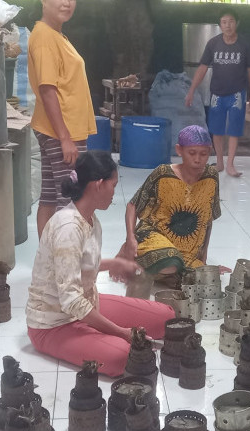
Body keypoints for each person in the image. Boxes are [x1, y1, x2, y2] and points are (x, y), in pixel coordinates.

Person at [26, 151, 174, 377]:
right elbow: (71, 299)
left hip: (86, 304)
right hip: (54, 323)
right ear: (98, 185)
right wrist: (121, 332)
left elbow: (78, 265)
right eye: (113, 185)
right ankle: (99, 337)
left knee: (166, 317)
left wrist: (114, 264)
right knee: (125, 356)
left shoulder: (91, 220)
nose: (115, 193)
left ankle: (97, 332)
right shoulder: (68, 227)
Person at [118, 125, 221, 287]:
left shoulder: (212, 177)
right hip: (154, 236)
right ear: (179, 150)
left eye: (204, 154)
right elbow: (133, 205)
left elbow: (207, 220)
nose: (197, 159)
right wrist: (130, 239)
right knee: (170, 263)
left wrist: (203, 257)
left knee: (204, 280)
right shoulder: (163, 173)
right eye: (192, 153)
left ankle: (164, 273)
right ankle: (127, 253)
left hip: (188, 249)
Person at [28, 0, 97, 238]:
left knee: (50, 196)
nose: (67, 3)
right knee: (71, 200)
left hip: (58, 130)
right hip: (61, 131)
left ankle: (48, 264)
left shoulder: (54, 35)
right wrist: (65, 138)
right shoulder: (45, 38)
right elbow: (48, 90)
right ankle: (64, 267)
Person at [185, 8, 250, 177]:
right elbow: (202, 68)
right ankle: (219, 162)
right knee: (216, 130)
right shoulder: (213, 43)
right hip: (217, 93)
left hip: (237, 94)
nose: (228, 25)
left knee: (234, 130)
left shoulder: (245, 45)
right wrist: (191, 91)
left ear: (236, 23)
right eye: (224, 22)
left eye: (231, 21)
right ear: (220, 25)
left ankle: (230, 164)